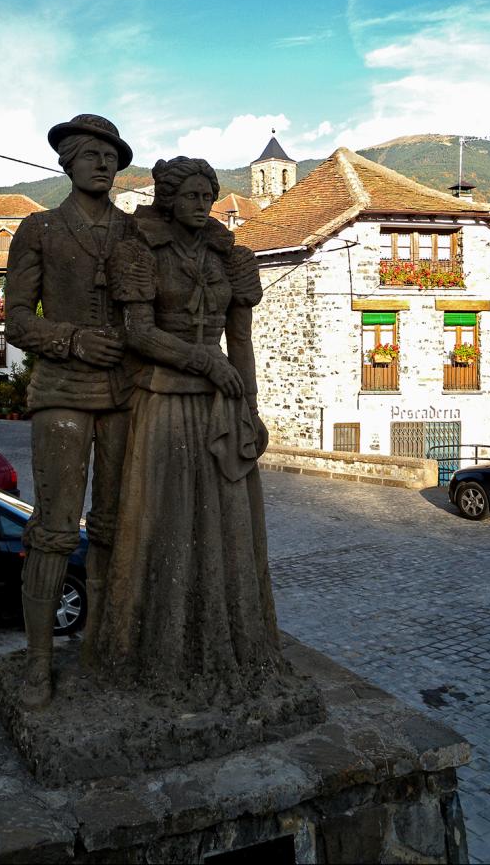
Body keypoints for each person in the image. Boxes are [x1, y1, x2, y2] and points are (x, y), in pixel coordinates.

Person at [96, 156, 284, 704]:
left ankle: (232, 642)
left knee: (228, 525)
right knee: (166, 519)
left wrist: (250, 406)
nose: (201, 205)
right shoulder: (139, 251)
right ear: (169, 199)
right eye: (191, 196)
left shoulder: (233, 257)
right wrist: (203, 363)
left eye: (208, 196)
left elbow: (241, 339)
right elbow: (137, 332)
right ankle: (157, 650)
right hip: (166, 401)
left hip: (221, 403)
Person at [5, 113, 138, 710]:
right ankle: (39, 661)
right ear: (65, 162)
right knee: (56, 529)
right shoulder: (40, 229)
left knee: (114, 526)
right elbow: (15, 321)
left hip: (124, 393)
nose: (104, 162)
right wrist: (72, 340)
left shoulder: (138, 233)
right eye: (91, 153)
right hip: (61, 388)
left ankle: (105, 648)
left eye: (111, 154)